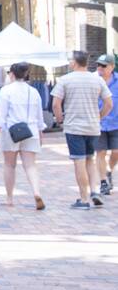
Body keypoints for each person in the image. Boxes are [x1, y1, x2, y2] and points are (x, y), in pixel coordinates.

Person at [51, 50, 112, 209]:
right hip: (93, 127)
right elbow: (109, 103)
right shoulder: (97, 80)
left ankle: (84, 199)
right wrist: (99, 117)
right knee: (89, 159)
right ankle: (95, 191)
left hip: (74, 127)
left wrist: (59, 120)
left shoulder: (65, 80)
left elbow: (56, 104)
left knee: (79, 161)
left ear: (74, 63)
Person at [0, 62, 47, 210]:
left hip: (11, 130)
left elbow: (1, 114)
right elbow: (39, 114)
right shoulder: (33, 91)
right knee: (30, 165)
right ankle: (36, 192)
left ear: (12, 74)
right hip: (31, 130)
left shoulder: (6, 91)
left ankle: (9, 198)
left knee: (9, 165)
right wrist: (41, 131)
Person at [96, 54, 118, 194]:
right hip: (98, 123)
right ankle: (103, 182)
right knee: (101, 152)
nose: (100, 68)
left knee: (116, 152)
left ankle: (109, 170)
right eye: (99, 65)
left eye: (103, 66)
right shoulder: (93, 80)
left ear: (112, 67)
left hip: (116, 123)